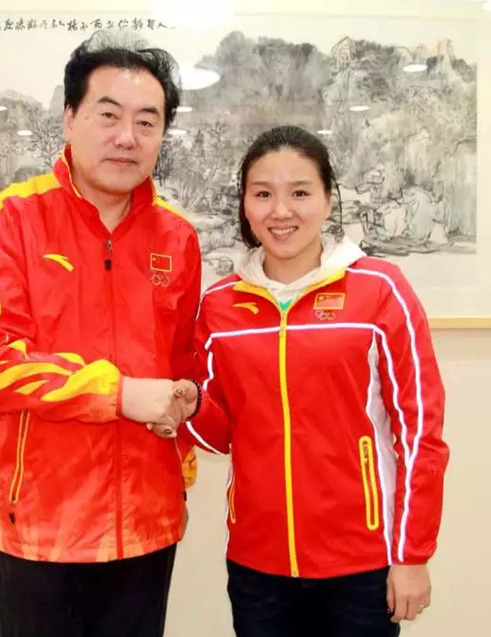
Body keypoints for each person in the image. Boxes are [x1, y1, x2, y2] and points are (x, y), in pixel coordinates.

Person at [0, 34, 201, 637]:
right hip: (39, 528)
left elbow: (183, 358)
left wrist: (185, 398)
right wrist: (116, 393)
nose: (127, 137)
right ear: (69, 118)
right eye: (108, 115)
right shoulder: (8, 220)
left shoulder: (178, 238)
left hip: (146, 524)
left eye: (147, 122)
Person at [154, 125, 450, 636]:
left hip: (361, 562)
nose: (280, 211)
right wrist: (193, 405)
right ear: (245, 205)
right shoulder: (221, 305)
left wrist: (411, 554)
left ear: (328, 199)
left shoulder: (380, 290)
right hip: (257, 565)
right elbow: (220, 435)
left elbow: (420, 432)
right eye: (262, 194)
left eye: (300, 193)